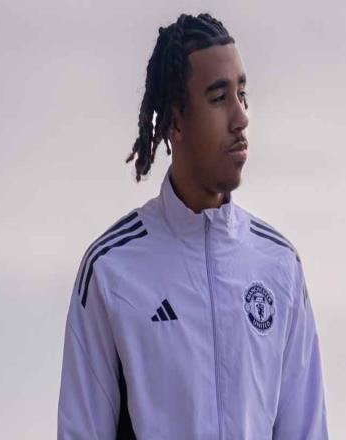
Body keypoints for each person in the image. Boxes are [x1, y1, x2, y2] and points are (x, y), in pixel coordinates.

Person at [58, 12, 328, 440]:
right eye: (219, 98)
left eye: (242, 94)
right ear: (175, 121)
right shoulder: (111, 269)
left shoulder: (279, 266)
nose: (240, 117)